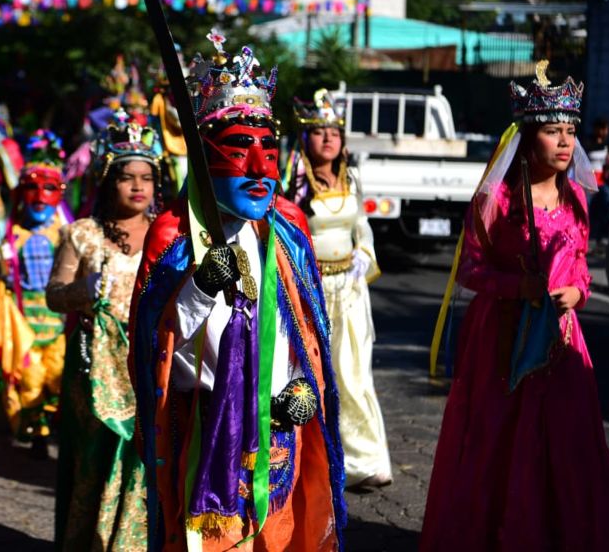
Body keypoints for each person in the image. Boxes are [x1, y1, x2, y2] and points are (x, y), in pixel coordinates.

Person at [129, 30, 346, 551]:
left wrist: (302, 386)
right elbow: (155, 351)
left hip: (280, 430)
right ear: (204, 159)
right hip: (209, 430)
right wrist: (201, 287)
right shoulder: (173, 236)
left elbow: (304, 332)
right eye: (237, 150)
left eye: (268, 150)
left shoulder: (286, 229)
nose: (259, 168)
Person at [421, 62, 609, 550]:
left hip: (563, 341)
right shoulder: (498, 198)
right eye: (553, 131)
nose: (565, 142)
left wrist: (579, 293)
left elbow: (581, 266)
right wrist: (518, 286)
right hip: (503, 338)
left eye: (570, 131)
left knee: (566, 439)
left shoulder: (576, 198)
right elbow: (470, 269)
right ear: (529, 138)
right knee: (500, 440)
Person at [47, 109, 161, 550]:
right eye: (126, 178)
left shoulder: (167, 234)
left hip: (148, 362)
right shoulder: (82, 234)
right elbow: (54, 295)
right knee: (94, 459)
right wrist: (83, 290)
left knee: (142, 459)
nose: (137, 187)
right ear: (107, 181)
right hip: (92, 368)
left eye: (146, 178)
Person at [287, 88, 391, 489]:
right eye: (319, 131)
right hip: (311, 290)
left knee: (353, 372)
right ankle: (316, 461)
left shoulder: (351, 178)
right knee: (313, 371)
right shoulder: (293, 183)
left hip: (348, 291)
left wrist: (363, 254)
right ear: (305, 138)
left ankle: (363, 460)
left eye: (334, 131)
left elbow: (362, 228)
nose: (328, 138)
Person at [0, 130, 69, 458]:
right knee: (31, 377)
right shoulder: (12, 236)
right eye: (33, 188)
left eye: (49, 188)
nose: (40, 197)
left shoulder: (63, 233)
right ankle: (37, 433)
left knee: (58, 374)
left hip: (58, 319)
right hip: (25, 321)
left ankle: (55, 427)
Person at [586, 117, 609, 252]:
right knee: (587, 207)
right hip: (589, 182)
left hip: (601, 182)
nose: (605, 132)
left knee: (608, 200)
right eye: (603, 129)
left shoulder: (606, 144)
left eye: (606, 129)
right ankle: (587, 236)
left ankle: (602, 237)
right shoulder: (588, 142)